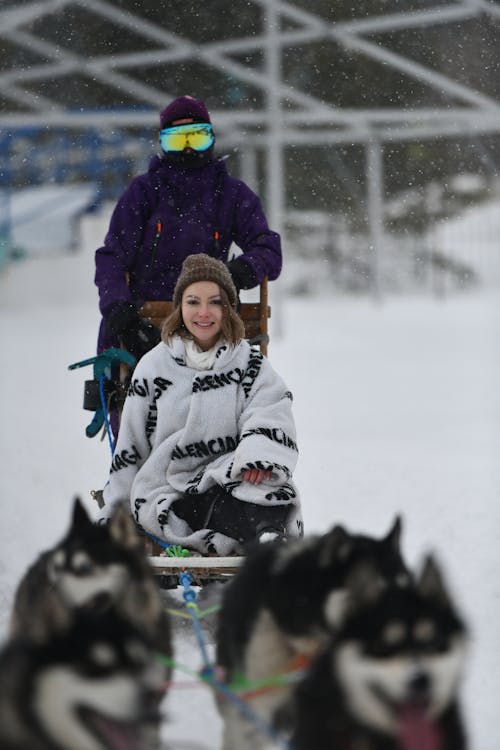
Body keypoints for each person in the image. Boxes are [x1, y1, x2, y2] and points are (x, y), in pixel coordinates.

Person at [97, 254, 302, 555]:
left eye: (215, 302)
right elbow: (131, 447)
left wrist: (258, 455)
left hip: (233, 481)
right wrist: (115, 513)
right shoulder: (154, 367)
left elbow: (270, 410)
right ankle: (257, 535)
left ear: (229, 308)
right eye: (193, 302)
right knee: (214, 509)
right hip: (172, 492)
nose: (203, 313)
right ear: (180, 306)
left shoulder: (249, 364)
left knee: (270, 495)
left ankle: (270, 539)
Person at [94, 94, 282, 364]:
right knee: (127, 375)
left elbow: (268, 249)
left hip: (211, 317)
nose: (188, 150)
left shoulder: (231, 195)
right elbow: (112, 257)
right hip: (145, 317)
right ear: (161, 144)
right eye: (177, 141)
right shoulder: (144, 193)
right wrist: (120, 313)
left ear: (212, 139)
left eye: (196, 138)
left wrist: (235, 275)